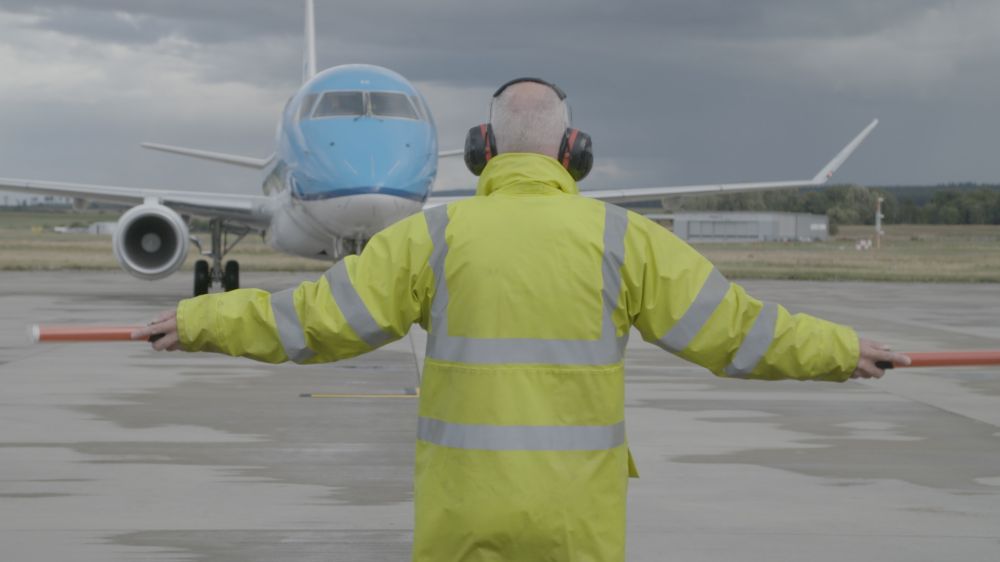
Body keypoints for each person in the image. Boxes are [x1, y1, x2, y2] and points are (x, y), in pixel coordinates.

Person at [134, 77, 910, 562]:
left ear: (480, 151)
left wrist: (203, 320)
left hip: (462, 524)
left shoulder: (432, 237)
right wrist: (842, 351)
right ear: (575, 151)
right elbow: (740, 333)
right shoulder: (624, 238)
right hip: (578, 528)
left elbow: (311, 322)